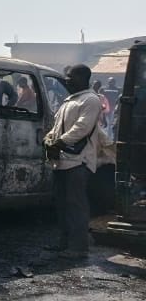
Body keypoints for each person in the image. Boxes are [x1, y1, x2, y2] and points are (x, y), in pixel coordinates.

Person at [43, 64, 103, 259]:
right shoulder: (70, 101)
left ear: (83, 78)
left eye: (70, 77)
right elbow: (57, 128)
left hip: (79, 161)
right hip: (62, 161)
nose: (66, 80)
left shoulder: (91, 100)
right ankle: (64, 243)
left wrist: (59, 143)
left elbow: (82, 128)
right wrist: (49, 140)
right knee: (62, 205)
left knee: (76, 205)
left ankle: (78, 248)